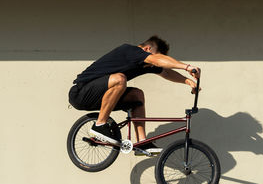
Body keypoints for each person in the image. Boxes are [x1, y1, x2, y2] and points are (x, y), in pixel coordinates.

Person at [68, 35, 201, 154]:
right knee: (120, 79)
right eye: (154, 57)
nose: (152, 65)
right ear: (147, 49)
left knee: (137, 94)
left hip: (101, 95)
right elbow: (156, 60)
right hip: (81, 93)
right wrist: (187, 67)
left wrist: (188, 81)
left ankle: (142, 143)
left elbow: (165, 72)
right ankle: (100, 125)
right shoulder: (131, 51)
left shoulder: (144, 63)